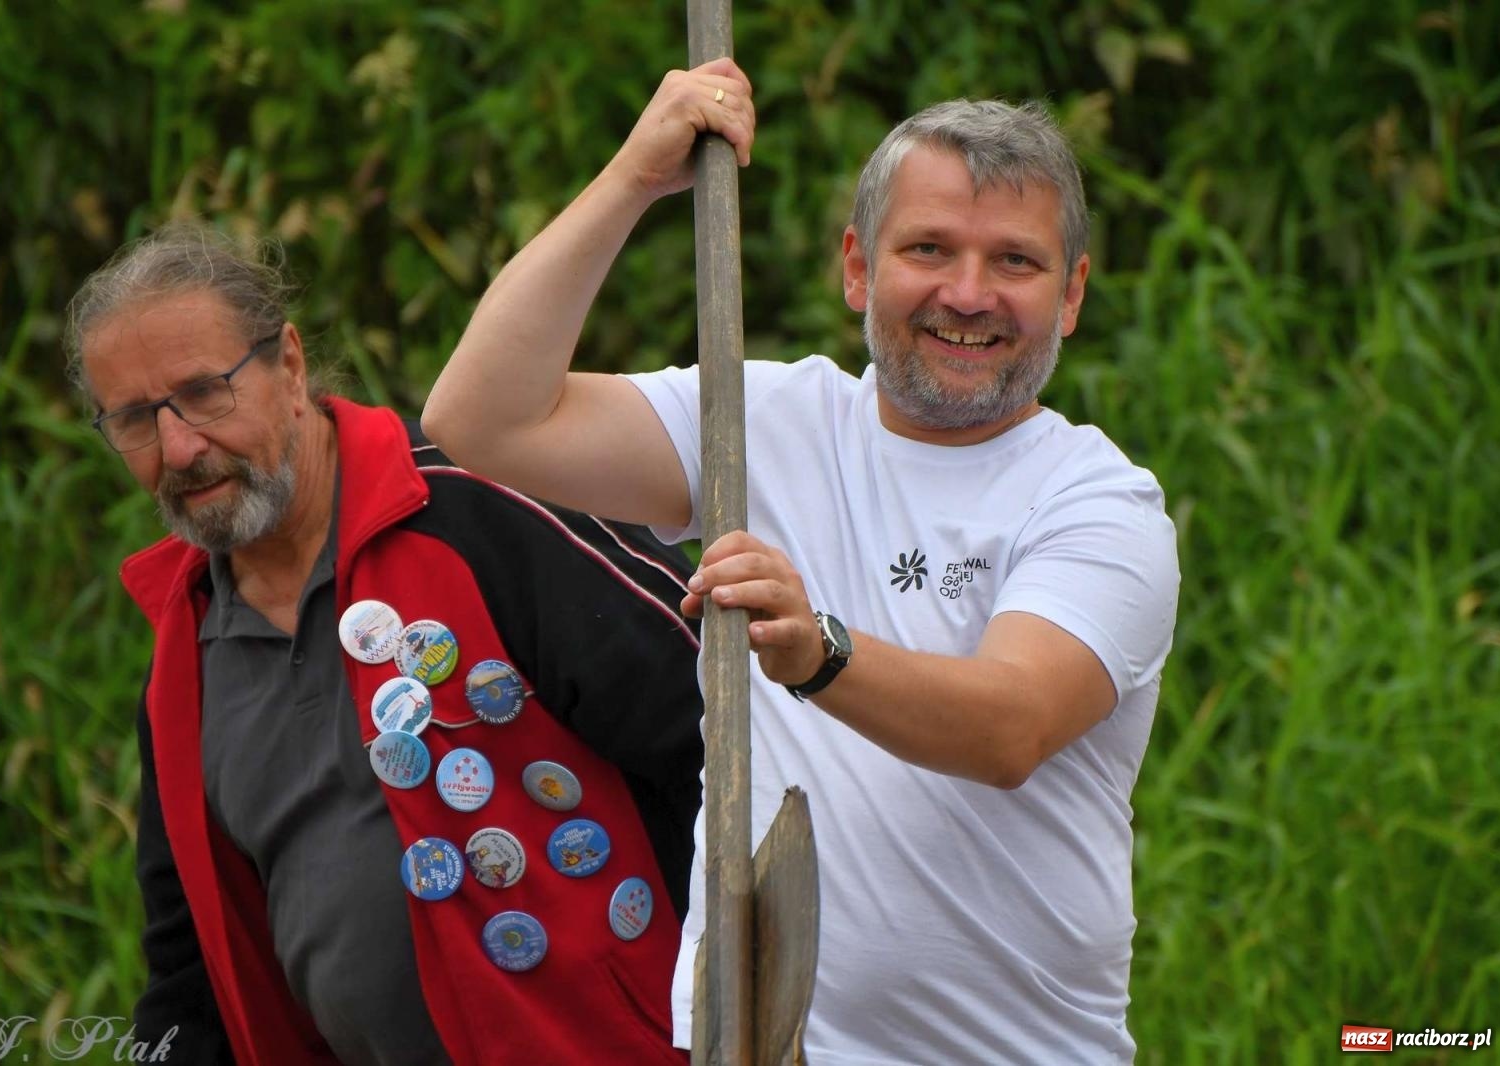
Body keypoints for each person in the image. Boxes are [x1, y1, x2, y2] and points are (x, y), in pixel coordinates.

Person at [422, 59, 1181, 1063]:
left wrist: (818, 652)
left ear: (1072, 294)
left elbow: (1010, 723)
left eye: (1014, 262)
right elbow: (483, 418)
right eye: (928, 249)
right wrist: (633, 182)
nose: (967, 293)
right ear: (856, 268)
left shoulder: (1097, 501)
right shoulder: (758, 421)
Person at [65, 222, 704, 1066]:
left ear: (288, 366)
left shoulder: (478, 506)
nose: (180, 446)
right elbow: (192, 976)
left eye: (204, 391)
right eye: (137, 419)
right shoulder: (182, 657)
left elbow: (728, 738)